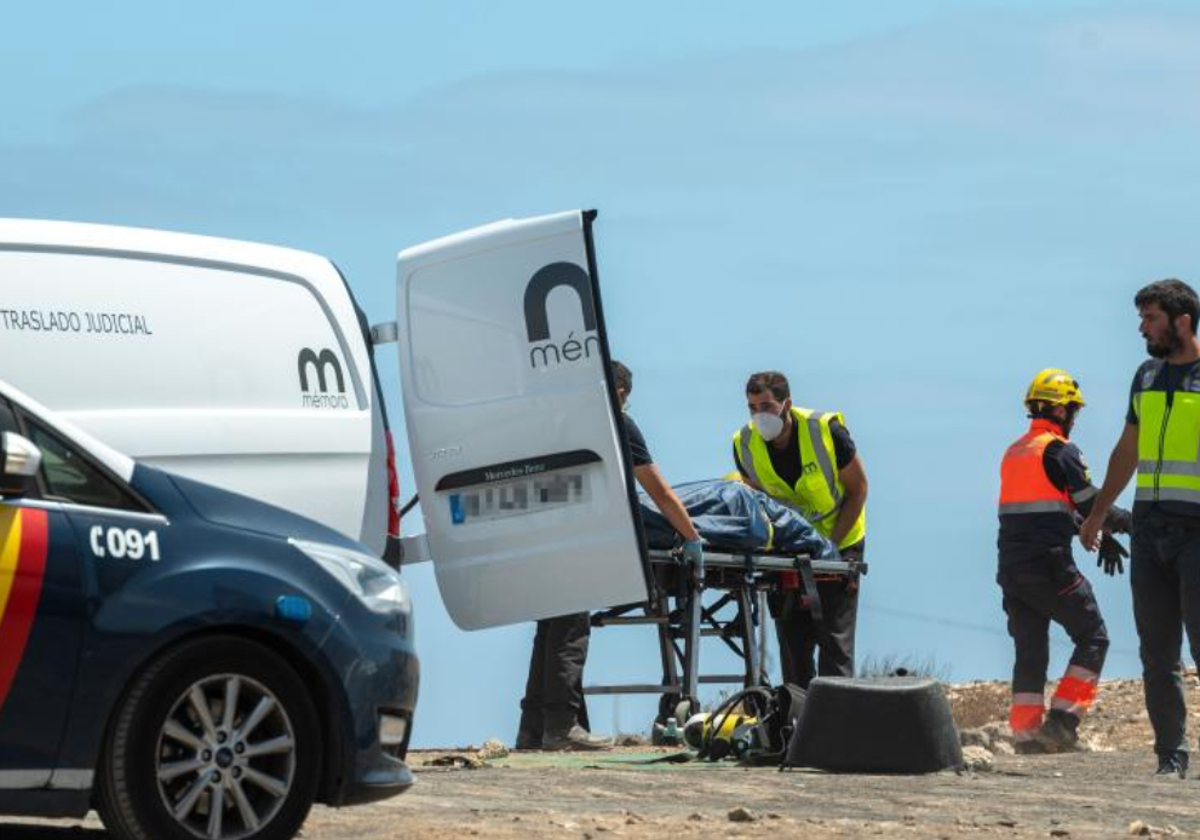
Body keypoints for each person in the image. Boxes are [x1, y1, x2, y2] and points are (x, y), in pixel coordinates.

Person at [516, 360, 703, 751]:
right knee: (569, 631)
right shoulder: (618, 424)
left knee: (548, 631)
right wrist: (690, 535)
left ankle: (533, 729)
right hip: (580, 537)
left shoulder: (556, 419)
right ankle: (562, 727)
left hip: (542, 535)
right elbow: (660, 492)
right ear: (620, 393)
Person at [1081, 278, 1200, 778]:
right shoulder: (1146, 377)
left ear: (1183, 321)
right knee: (1157, 652)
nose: (1141, 328)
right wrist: (1098, 513)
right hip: (1150, 530)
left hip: (1197, 530)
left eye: (1150, 319)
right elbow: (1127, 450)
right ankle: (1170, 757)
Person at [997, 368, 1131, 754]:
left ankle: (1025, 736)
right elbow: (1091, 501)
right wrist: (1132, 523)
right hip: (1049, 565)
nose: (1074, 418)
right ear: (1060, 410)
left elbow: (1040, 511)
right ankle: (1061, 724)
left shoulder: (1015, 452)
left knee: (1030, 651)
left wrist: (1096, 532)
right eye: (1073, 410)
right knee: (1093, 636)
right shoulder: (1060, 450)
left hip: (1011, 569)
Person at [731, 371, 867, 687]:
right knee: (794, 644)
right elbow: (756, 501)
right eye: (752, 407)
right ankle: (799, 725)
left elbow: (858, 489)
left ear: (786, 404)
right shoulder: (745, 444)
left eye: (766, 405)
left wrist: (830, 547)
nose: (758, 415)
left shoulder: (826, 431)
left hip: (840, 541)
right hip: (788, 551)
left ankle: (836, 723)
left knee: (834, 643)